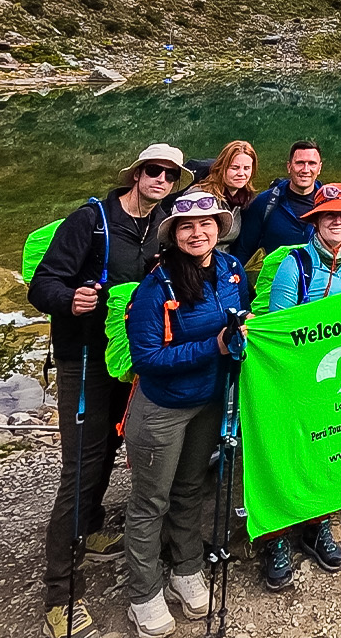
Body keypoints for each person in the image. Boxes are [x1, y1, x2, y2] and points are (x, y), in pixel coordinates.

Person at [26, 143, 186, 638]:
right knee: (81, 466)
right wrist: (68, 299)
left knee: (112, 448)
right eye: (153, 171)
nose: (161, 179)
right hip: (87, 360)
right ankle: (60, 594)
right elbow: (41, 286)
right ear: (135, 174)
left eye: (170, 175)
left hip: (133, 363)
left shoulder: (163, 224)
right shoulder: (90, 220)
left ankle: (92, 527)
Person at [121, 192, 250, 637]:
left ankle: (187, 569)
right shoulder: (155, 287)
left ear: (220, 228)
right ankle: (144, 594)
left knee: (191, 487)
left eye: (207, 224)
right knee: (149, 501)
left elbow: (242, 318)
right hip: (162, 408)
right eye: (187, 227)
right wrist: (211, 347)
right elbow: (147, 359)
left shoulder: (232, 271)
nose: (198, 233)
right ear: (174, 235)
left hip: (211, 401)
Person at [262, 183, 341, 586]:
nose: (339, 220)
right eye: (330, 214)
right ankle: (276, 536)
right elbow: (279, 330)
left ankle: (317, 524)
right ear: (315, 220)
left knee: (329, 447)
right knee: (288, 450)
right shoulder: (295, 265)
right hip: (299, 376)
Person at [235, 140, 341, 265]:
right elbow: (244, 250)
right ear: (289, 167)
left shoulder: (330, 202)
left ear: (319, 168)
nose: (306, 169)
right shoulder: (265, 202)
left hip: (319, 281)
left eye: (312, 163)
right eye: (300, 163)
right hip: (274, 281)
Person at [189, 140, 257, 255]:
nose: (241, 173)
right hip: (196, 260)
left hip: (224, 263)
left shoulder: (246, 199)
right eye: (235, 168)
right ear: (221, 167)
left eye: (246, 168)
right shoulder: (200, 196)